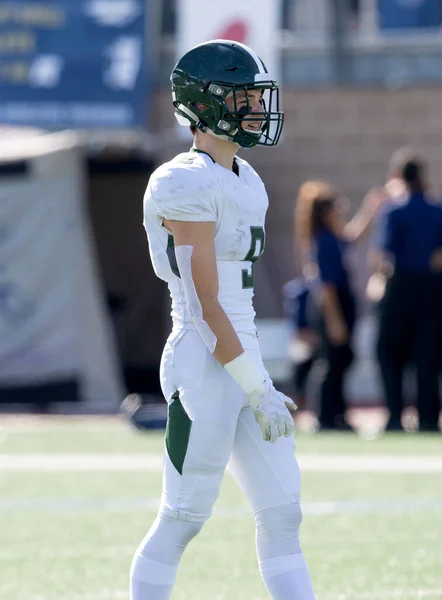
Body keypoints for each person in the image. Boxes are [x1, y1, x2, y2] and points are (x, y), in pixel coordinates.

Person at [132, 40, 316, 600]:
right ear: (204, 103)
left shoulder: (246, 178)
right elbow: (208, 306)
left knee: (283, 512)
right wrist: (256, 385)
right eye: (244, 97)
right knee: (184, 515)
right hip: (203, 355)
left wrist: (256, 380)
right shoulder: (183, 180)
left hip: (241, 354)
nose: (258, 109)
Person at [295, 181, 384, 431]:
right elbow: (326, 286)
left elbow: (353, 236)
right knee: (332, 361)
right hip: (331, 306)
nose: (342, 210)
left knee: (342, 359)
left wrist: (370, 209)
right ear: (326, 213)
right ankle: (325, 416)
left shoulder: (334, 238)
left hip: (340, 305)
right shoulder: (323, 241)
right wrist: (334, 320)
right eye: (337, 207)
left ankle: (338, 413)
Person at [373, 148, 442, 432]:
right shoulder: (436, 210)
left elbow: (381, 257)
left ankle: (395, 416)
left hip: (400, 286)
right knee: (428, 355)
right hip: (432, 287)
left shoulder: (394, 210)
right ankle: (427, 418)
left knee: (389, 352)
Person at [282, 265, 321, 411]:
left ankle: (309, 410)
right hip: (303, 338)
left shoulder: (316, 289)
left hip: (315, 339)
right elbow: (296, 320)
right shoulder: (300, 291)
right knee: (299, 375)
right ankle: (295, 410)